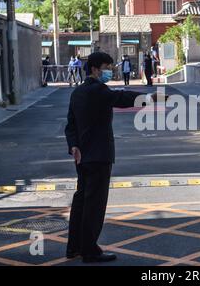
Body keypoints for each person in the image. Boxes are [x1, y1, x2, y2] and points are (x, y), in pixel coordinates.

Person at [64, 51, 164, 263]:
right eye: (107, 68)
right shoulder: (97, 90)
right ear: (94, 69)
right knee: (94, 205)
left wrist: (73, 146)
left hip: (81, 156)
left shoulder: (77, 93)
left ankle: (74, 247)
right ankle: (90, 250)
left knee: (81, 201)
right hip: (99, 155)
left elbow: (70, 125)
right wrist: (149, 98)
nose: (109, 72)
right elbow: (121, 98)